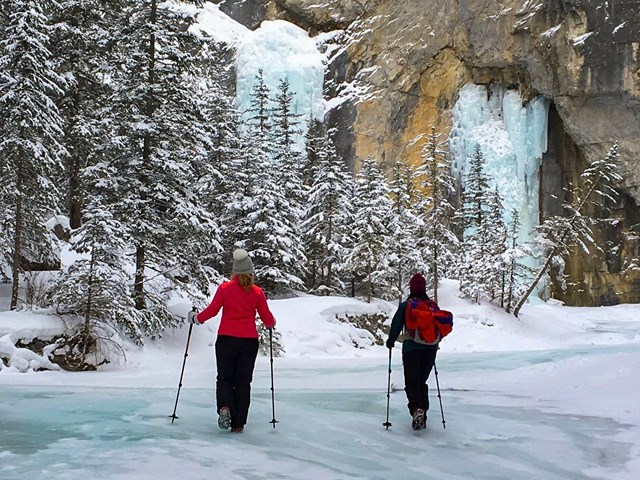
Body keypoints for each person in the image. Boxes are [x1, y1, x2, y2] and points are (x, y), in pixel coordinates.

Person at [188, 248, 276, 433]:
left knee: (224, 378)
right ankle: (238, 424)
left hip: (226, 340)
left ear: (234, 270)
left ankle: (225, 407)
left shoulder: (224, 289)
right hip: (248, 342)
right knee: (243, 382)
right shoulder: (257, 292)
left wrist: (196, 318)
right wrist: (272, 322)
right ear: (250, 271)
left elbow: (211, 311)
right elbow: (267, 319)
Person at [386, 273, 453, 431]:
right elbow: (440, 327)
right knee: (421, 382)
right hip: (430, 350)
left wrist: (390, 341)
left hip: (411, 350)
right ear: (423, 289)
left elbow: (396, 324)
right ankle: (423, 412)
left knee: (411, 383)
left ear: (411, 288)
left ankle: (417, 409)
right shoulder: (432, 306)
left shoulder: (407, 305)